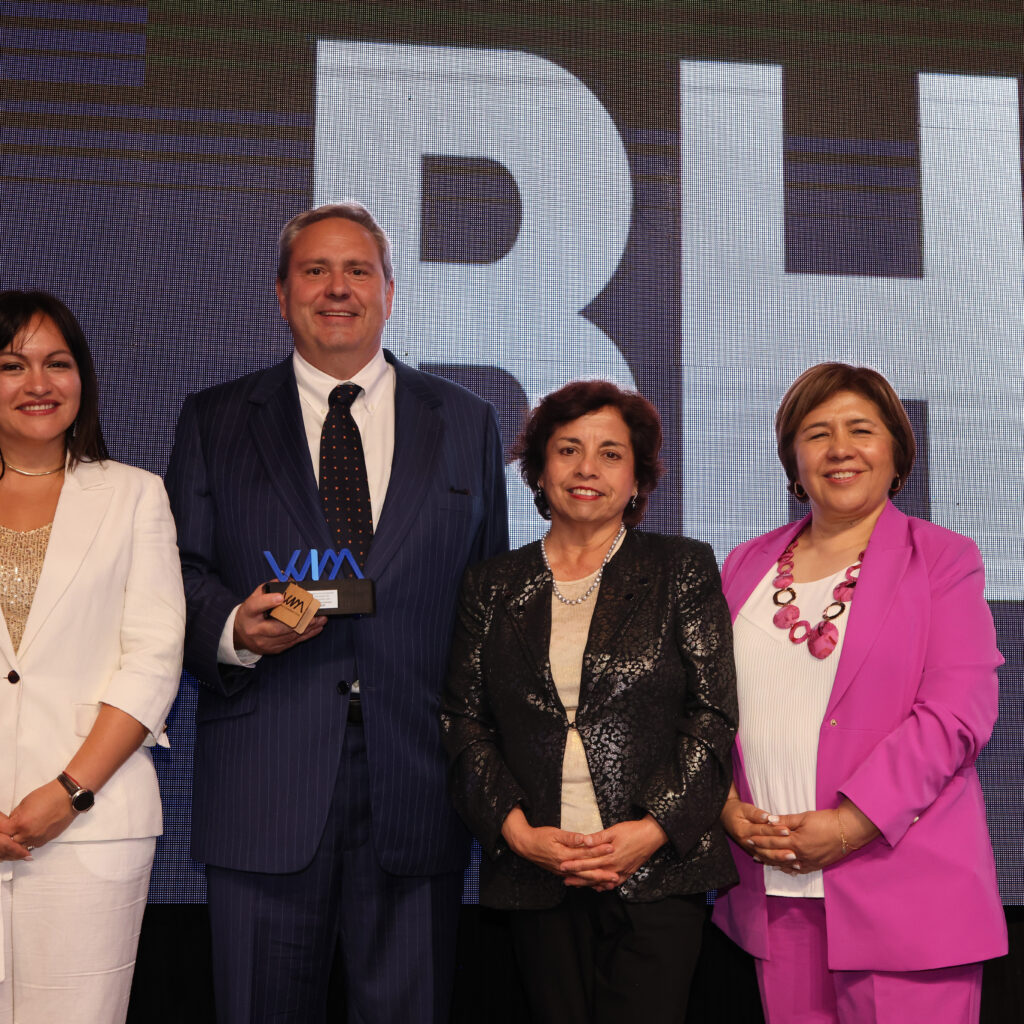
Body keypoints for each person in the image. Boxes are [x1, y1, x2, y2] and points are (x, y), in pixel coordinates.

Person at [164, 202, 508, 1023]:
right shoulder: (215, 419)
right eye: (314, 271)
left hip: (418, 783)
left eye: (358, 270)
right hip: (264, 783)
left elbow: (490, 596)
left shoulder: (465, 421)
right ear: (280, 294)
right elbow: (175, 569)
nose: (337, 288)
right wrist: (231, 629)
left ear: (391, 291)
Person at [713, 362, 1006, 1022]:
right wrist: (724, 804)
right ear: (793, 457)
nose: (839, 448)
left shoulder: (943, 558)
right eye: (817, 433)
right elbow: (705, 709)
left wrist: (853, 823)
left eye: (860, 430)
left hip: (906, 892)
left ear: (896, 450)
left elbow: (955, 715)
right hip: (777, 894)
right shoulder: (743, 565)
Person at [441, 380, 738, 1023]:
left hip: (656, 872)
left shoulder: (680, 567)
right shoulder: (492, 583)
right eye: (568, 449)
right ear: (540, 472)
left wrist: (652, 830)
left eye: (610, 454)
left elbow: (711, 715)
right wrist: (518, 833)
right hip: (538, 869)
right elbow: (464, 721)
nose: (586, 469)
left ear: (637, 480)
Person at [0, 290, 185, 1023]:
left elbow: (153, 659)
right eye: (12, 365)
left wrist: (68, 792)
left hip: (89, 821)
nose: (38, 383)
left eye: (57, 363)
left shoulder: (134, 496)